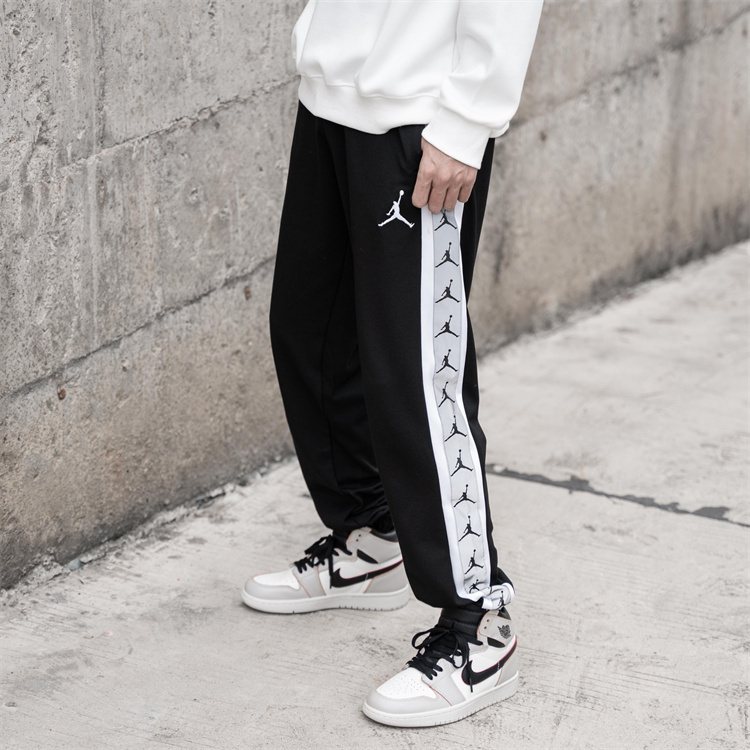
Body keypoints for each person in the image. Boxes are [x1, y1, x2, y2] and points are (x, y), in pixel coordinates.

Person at [242, 0, 544, 728]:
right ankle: (372, 535)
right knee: (309, 332)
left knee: (416, 374)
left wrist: (467, 119)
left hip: (422, 118)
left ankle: (480, 619)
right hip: (334, 95)